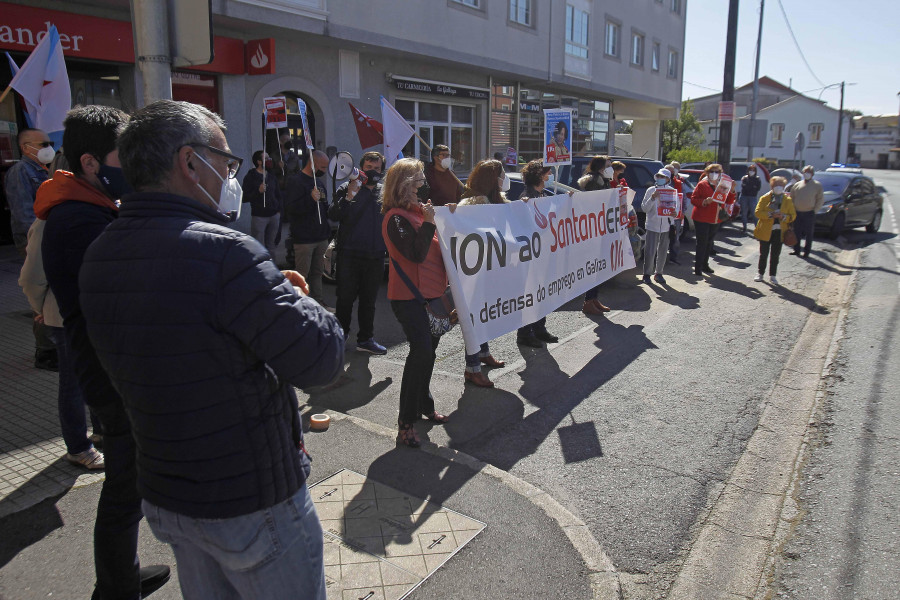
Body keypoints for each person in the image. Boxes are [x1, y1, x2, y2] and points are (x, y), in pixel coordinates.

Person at [78, 100, 344, 600]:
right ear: (189, 162)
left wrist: (262, 298)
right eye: (225, 161)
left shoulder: (102, 249)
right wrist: (297, 301)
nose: (230, 174)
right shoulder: (225, 252)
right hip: (250, 498)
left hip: (168, 493)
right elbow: (321, 358)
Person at [39, 105, 171, 600]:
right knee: (125, 488)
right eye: (125, 155)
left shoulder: (91, 207)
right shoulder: (79, 219)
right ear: (92, 163)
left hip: (115, 370)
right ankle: (115, 589)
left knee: (128, 485)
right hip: (112, 375)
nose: (133, 167)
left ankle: (121, 573)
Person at [19, 198, 105, 470]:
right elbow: (31, 276)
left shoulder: (102, 207)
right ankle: (78, 446)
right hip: (63, 314)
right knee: (73, 382)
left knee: (97, 373)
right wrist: (39, 307)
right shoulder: (48, 220)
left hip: (93, 311)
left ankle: (100, 429)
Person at [381, 158, 451, 448]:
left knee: (429, 354)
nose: (424, 185)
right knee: (420, 352)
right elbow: (416, 254)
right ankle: (405, 423)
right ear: (405, 185)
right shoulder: (395, 217)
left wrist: (446, 218)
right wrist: (431, 222)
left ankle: (424, 404)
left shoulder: (419, 213)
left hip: (433, 295)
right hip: (409, 299)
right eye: (420, 181)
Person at [451, 159, 509, 387]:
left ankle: (483, 353)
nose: (504, 179)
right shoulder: (472, 206)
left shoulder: (496, 201)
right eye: (501, 174)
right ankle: (472, 368)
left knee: (485, 315)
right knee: (473, 319)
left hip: (490, 271)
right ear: (492, 179)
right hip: (474, 274)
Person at [5, 127, 57, 370]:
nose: (49, 147)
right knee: (41, 293)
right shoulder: (20, 172)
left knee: (49, 292)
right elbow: (24, 211)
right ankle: (46, 351)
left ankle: (51, 346)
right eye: (43, 143)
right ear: (26, 147)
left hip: (43, 238)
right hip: (34, 239)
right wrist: (32, 245)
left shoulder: (43, 170)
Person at [328, 151, 388, 354]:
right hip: (349, 255)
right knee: (345, 299)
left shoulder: (384, 192)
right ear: (361, 169)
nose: (372, 172)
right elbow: (334, 215)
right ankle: (340, 335)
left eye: (376, 169)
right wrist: (350, 195)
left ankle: (366, 339)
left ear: (382, 171)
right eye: (368, 168)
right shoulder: (347, 187)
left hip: (375, 255)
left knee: (369, 300)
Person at [513, 160, 564, 345]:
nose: (550, 177)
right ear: (540, 175)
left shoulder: (542, 194)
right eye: (547, 173)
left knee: (542, 293)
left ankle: (540, 328)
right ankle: (525, 333)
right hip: (531, 255)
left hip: (542, 253)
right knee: (531, 294)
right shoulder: (527, 196)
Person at [285, 149, 333, 309]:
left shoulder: (318, 182)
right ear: (313, 165)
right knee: (302, 275)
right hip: (304, 238)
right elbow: (291, 209)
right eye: (323, 167)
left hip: (320, 236)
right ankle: (300, 305)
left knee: (318, 273)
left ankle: (318, 302)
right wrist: (310, 200)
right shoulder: (295, 181)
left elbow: (324, 207)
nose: (324, 171)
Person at [577, 157, 614, 315]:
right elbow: (594, 205)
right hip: (593, 230)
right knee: (593, 266)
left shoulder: (602, 180)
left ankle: (593, 298)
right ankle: (588, 301)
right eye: (608, 166)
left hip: (600, 228)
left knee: (599, 266)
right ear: (601, 167)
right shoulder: (594, 181)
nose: (611, 168)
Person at [690, 163, 735, 278]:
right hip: (702, 217)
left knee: (709, 243)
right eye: (712, 172)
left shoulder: (723, 185)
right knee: (702, 243)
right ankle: (698, 267)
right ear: (707, 173)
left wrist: (733, 190)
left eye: (717, 172)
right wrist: (705, 201)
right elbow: (694, 199)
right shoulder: (702, 184)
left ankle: (705, 264)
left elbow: (729, 200)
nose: (714, 174)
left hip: (716, 218)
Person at [752, 176, 796, 285]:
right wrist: (771, 214)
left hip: (780, 231)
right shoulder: (765, 198)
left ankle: (773, 275)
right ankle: (760, 273)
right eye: (776, 185)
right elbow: (757, 212)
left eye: (781, 185)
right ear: (772, 186)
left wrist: (783, 216)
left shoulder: (787, 200)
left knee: (775, 254)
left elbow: (793, 215)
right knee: (764, 253)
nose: (779, 187)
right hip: (766, 230)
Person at [241, 150, 282, 257]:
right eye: (266, 158)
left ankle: (272, 270)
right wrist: (258, 191)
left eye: (269, 158)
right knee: (258, 247)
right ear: (259, 162)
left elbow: (278, 194)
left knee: (271, 247)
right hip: (259, 216)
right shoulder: (251, 177)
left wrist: (278, 211)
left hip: (273, 215)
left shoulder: (272, 177)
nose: (269, 160)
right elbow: (244, 197)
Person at [641, 168, 676, 285]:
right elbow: (644, 208)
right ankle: (647, 274)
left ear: (668, 179)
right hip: (652, 225)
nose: (660, 179)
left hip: (666, 226)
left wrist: (674, 216)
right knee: (650, 251)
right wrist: (652, 198)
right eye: (659, 176)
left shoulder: (672, 191)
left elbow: (676, 210)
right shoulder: (651, 190)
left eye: (663, 177)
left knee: (663, 250)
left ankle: (659, 273)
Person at [787, 165, 824, 258]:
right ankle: (796, 250)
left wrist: (815, 211)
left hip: (809, 212)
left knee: (809, 233)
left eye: (809, 172)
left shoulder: (817, 185)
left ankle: (807, 252)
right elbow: (791, 198)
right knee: (796, 232)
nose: (806, 174)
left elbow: (820, 199)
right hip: (797, 212)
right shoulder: (797, 184)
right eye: (805, 172)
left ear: (812, 174)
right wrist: (791, 210)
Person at [666, 162, 685, 264]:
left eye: (673, 172)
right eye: (669, 172)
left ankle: (673, 258)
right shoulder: (658, 185)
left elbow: (684, 199)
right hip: (663, 216)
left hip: (676, 216)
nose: (671, 173)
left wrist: (683, 212)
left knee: (675, 238)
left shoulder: (679, 183)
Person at [739, 164, 762, 233]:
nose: (751, 171)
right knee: (744, 213)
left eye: (753, 170)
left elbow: (757, 188)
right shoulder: (745, 178)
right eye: (750, 170)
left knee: (754, 213)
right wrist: (751, 187)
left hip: (753, 197)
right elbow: (744, 187)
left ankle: (757, 229)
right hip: (744, 196)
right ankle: (744, 228)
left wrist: (751, 187)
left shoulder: (757, 179)